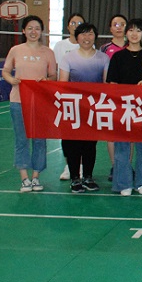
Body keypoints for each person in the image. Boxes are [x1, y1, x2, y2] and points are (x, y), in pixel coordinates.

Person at [1, 15, 57, 192]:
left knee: (39, 139)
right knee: (21, 139)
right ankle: (24, 177)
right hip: (18, 101)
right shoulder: (15, 50)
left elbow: (53, 76)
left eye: (37, 28)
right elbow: (5, 71)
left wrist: (46, 80)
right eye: (30, 28)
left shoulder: (48, 52)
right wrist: (11, 80)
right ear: (24, 31)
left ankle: (36, 177)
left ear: (42, 32)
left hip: (40, 102)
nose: (34, 32)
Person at [58, 23, 109, 193]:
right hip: (73, 108)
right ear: (77, 37)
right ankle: (75, 178)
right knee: (73, 144)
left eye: (90, 34)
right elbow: (63, 84)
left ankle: (88, 176)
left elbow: (106, 85)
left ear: (95, 36)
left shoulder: (103, 58)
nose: (87, 38)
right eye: (83, 34)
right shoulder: (68, 58)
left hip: (93, 109)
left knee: (90, 144)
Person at [107, 18, 142, 196]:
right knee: (122, 147)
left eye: (138, 31)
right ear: (126, 33)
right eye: (131, 30)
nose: (135, 34)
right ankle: (123, 183)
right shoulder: (118, 57)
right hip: (123, 108)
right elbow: (112, 83)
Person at [54, 12, 84, 181]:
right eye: (73, 23)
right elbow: (56, 70)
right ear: (68, 26)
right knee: (66, 134)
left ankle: (81, 166)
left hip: (84, 99)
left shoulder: (88, 45)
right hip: (65, 96)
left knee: (83, 133)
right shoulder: (60, 46)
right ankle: (69, 166)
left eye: (79, 23)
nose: (76, 26)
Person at [99, 13, 128, 181]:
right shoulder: (104, 49)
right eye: (115, 24)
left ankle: (126, 166)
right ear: (110, 28)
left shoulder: (132, 46)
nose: (119, 27)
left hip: (130, 99)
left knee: (129, 133)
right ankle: (115, 166)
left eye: (122, 24)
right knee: (111, 134)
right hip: (110, 98)